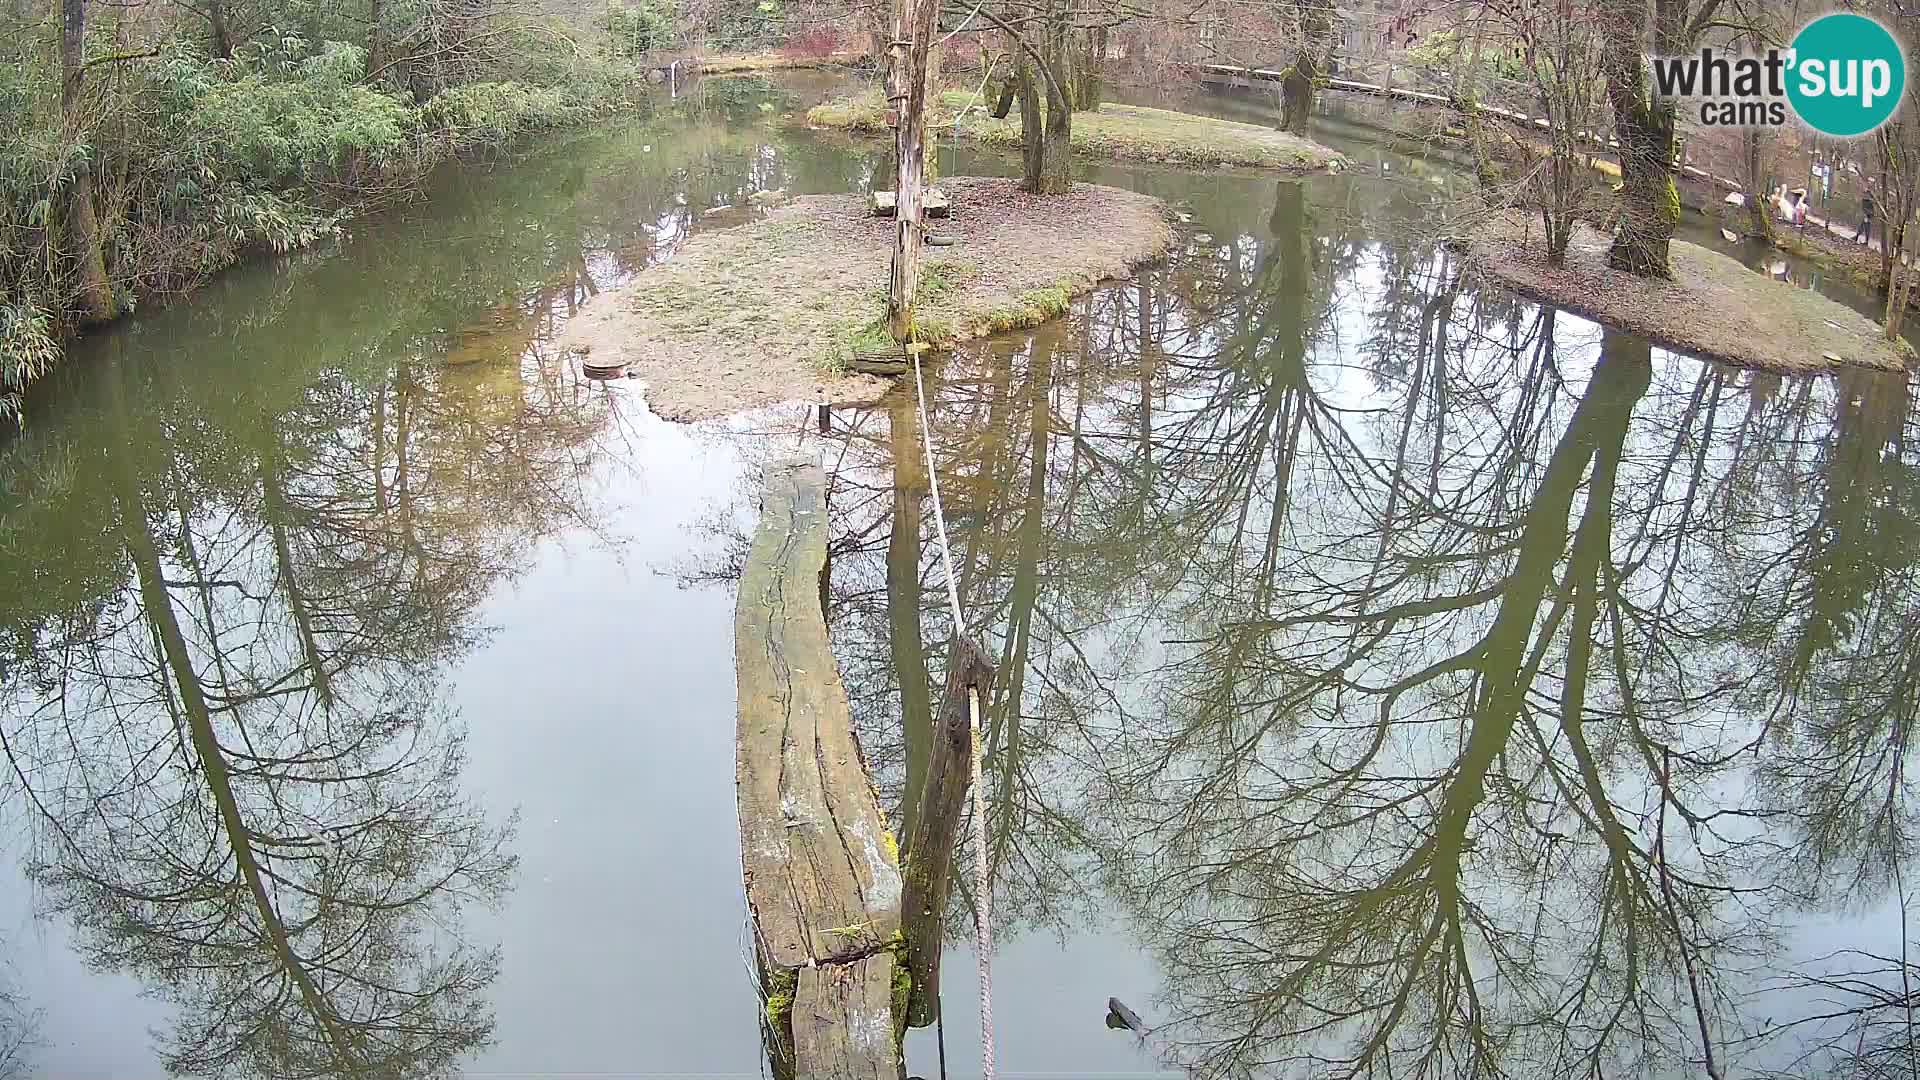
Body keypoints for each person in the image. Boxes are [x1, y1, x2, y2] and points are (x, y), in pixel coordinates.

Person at [1857, 178, 1877, 245]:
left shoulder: (1872, 191)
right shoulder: (1867, 189)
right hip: (1866, 209)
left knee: (1866, 225)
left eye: (1871, 182)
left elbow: (1872, 200)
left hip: (1868, 211)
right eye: (1868, 181)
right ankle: (1858, 236)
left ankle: (1865, 240)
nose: (1869, 183)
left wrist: (1867, 213)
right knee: (1863, 224)